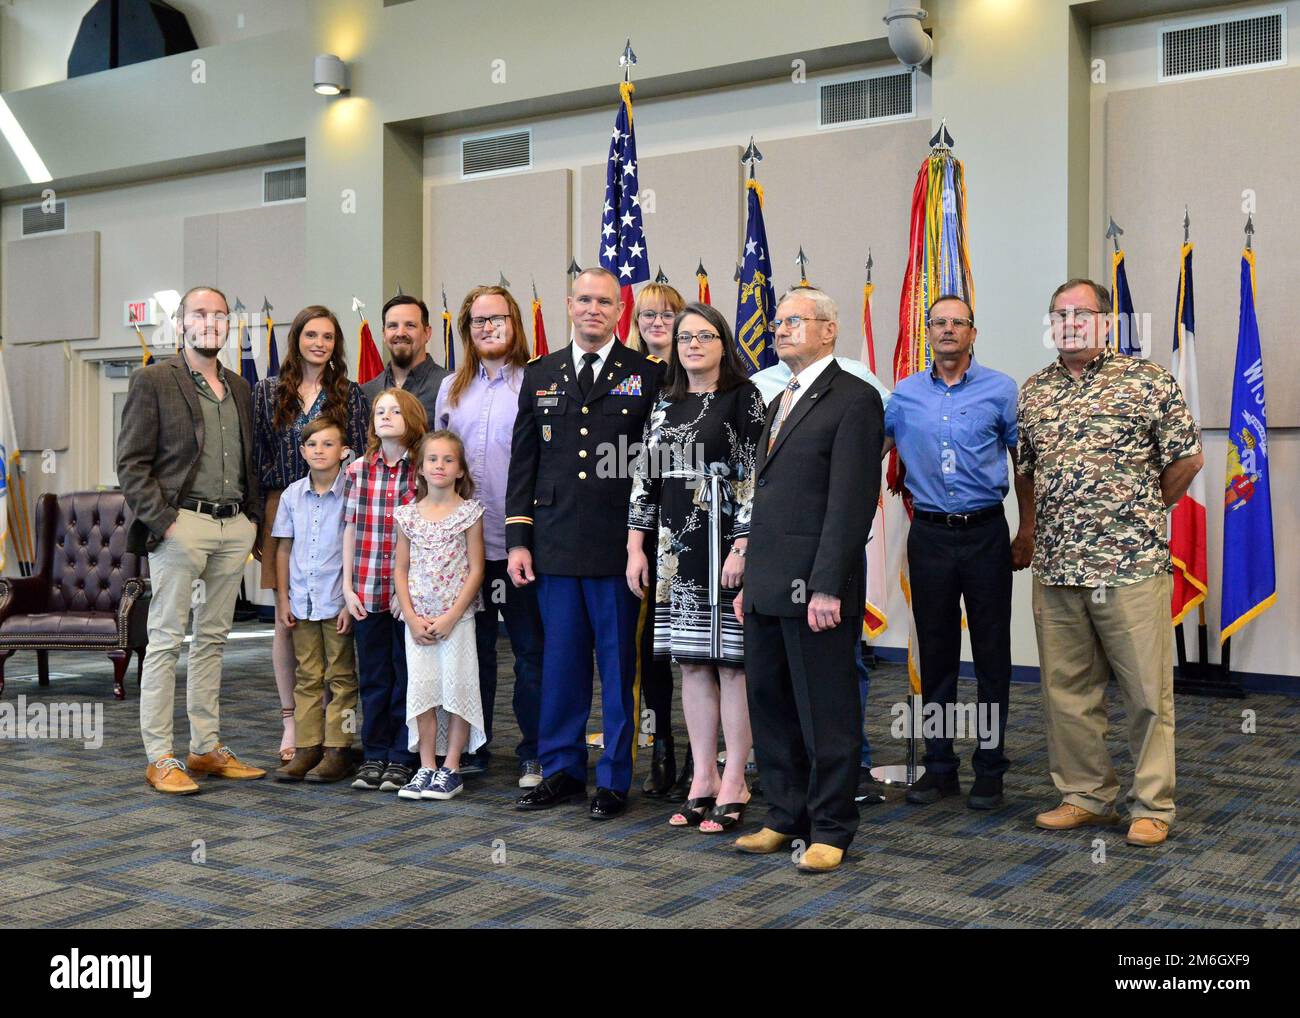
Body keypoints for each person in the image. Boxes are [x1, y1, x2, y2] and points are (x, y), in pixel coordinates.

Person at [1016, 278, 1202, 848]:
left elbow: (1187, 460)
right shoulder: (1034, 392)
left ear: (1107, 319)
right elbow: (1025, 472)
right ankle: (1085, 795)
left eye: (1081, 312)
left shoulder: (1147, 382)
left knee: (1146, 693)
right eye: (1059, 313)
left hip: (1130, 566)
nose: (1069, 321)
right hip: (1058, 566)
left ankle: (1153, 804)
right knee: (1066, 691)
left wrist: (1140, 508)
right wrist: (1027, 530)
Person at [732, 287, 883, 872]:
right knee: (771, 706)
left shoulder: (855, 398)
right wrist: (749, 580)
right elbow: (769, 500)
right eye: (779, 321)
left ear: (829, 330)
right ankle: (784, 815)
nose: (782, 329)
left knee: (826, 712)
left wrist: (827, 586)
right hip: (769, 584)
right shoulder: (781, 399)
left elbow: (851, 503)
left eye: (796, 320)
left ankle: (832, 826)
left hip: (816, 589)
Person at [507, 267, 666, 820]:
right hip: (553, 544)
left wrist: (643, 543)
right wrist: (518, 539)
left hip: (620, 548)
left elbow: (657, 466)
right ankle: (561, 769)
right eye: (584, 300)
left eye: (604, 302)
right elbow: (524, 462)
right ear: (569, 305)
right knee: (561, 665)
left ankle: (615, 777)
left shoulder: (647, 373)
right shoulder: (541, 373)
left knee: (620, 668)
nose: (593, 309)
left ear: (619, 310)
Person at [117, 284, 266, 793]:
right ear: (181, 323)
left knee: (213, 641)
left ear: (228, 326)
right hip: (182, 525)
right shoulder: (154, 380)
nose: (211, 322)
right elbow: (131, 465)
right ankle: (160, 755)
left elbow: (251, 459)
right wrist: (166, 523)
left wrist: (250, 522)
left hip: (233, 527)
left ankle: (204, 748)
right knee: (164, 642)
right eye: (200, 313)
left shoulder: (240, 387)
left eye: (220, 315)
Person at [627, 303, 765, 833]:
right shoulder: (665, 400)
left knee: (732, 664)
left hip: (726, 548)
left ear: (723, 341)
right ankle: (702, 776)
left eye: (704, 336)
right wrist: (635, 547)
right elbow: (645, 479)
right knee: (691, 663)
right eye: (684, 337)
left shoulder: (744, 396)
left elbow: (754, 475)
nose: (691, 345)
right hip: (675, 551)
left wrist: (743, 546)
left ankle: (735, 779)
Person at [883, 295, 1019, 810]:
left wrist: (1024, 530)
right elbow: (869, 449)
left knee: (991, 657)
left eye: (956, 323)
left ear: (972, 333)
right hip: (931, 536)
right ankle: (940, 766)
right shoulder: (905, 395)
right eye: (937, 322)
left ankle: (990, 768)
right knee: (936, 655)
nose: (946, 330)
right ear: (928, 332)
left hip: (985, 533)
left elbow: (1021, 463)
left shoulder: (1001, 390)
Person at [434, 285, 545, 788]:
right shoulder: (451, 389)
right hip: (461, 550)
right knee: (470, 653)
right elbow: (435, 466)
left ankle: (534, 751)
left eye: (497, 318)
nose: (488, 327)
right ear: (467, 330)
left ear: (514, 323)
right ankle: (473, 748)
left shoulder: (537, 382)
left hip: (520, 544)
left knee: (529, 653)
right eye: (478, 321)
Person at [253, 305, 368, 764]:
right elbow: (255, 455)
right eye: (310, 334)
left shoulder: (350, 394)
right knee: (289, 617)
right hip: (283, 507)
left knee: (336, 617)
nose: (318, 343)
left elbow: (360, 453)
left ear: (336, 344)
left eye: (327, 336)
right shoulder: (267, 392)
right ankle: (293, 724)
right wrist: (254, 518)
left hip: (339, 506)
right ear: (296, 338)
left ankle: (332, 733)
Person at [393, 430, 486, 801]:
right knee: (424, 691)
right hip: (418, 623)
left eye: (449, 460)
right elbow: (400, 569)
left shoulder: (469, 513)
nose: (440, 466)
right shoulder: (407, 515)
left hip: (456, 621)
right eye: (433, 459)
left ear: (460, 469)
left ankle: (451, 767)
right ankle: (426, 766)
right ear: (420, 468)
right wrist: (413, 619)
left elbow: (477, 570)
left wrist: (451, 616)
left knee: (458, 689)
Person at [343, 388, 426, 793]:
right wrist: (347, 586)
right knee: (374, 676)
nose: (386, 416)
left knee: (406, 675)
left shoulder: (422, 471)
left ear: (411, 417)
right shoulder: (358, 469)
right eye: (380, 411)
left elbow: (426, 533)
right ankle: (373, 753)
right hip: (366, 588)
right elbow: (349, 528)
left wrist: (405, 591)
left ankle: (402, 755)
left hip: (405, 595)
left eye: (395, 410)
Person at [271, 418, 357, 783]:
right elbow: (282, 548)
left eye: (328, 444)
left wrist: (348, 602)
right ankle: (308, 746)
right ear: (302, 451)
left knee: (340, 676)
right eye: (313, 445)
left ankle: (338, 748)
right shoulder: (292, 495)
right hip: (302, 603)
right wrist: (283, 600)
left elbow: (355, 547)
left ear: (344, 451)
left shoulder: (353, 492)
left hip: (336, 601)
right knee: (307, 676)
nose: (319, 451)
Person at [627, 281, 686, 796]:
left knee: (701, 646)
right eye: (647, 314)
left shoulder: (700, 371)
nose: (656, 323)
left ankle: (702, 750)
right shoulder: (629, 374)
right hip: (643, 526)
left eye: (667, 314)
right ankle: (660, 746)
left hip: (696, 528)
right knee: (651, 648)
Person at [360, 294, 450, 426]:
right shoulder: (366, 393)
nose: (400, 333)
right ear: (384, 334)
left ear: (427, 333)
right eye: (392, 326)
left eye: (410, 325)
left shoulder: (450, 387)